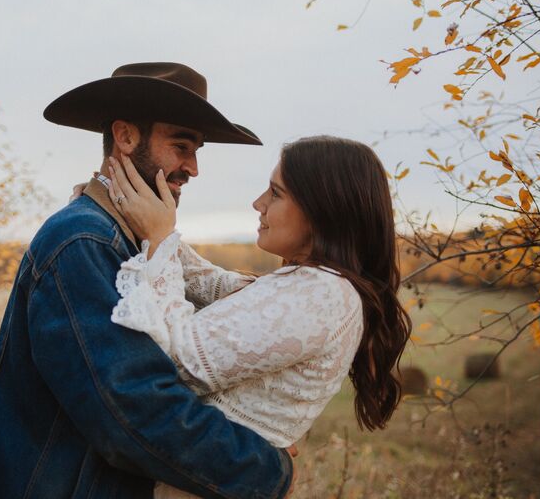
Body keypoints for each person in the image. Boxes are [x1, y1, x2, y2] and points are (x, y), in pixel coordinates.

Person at [0, 63, 296, 498]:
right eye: (181, 145)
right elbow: (132, 408)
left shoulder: (129, 243)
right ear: (125, 137)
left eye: (197, 150)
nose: (193, 168)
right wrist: (265, 470)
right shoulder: (83, 241)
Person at [103, 135, 412, 498]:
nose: (258, 203)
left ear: (322, 210)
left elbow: (175, 363)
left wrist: (159, 241)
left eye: (275, 193)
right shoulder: (319, 285)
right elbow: (218, 286)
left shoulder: (321, 294)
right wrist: (154, 228)